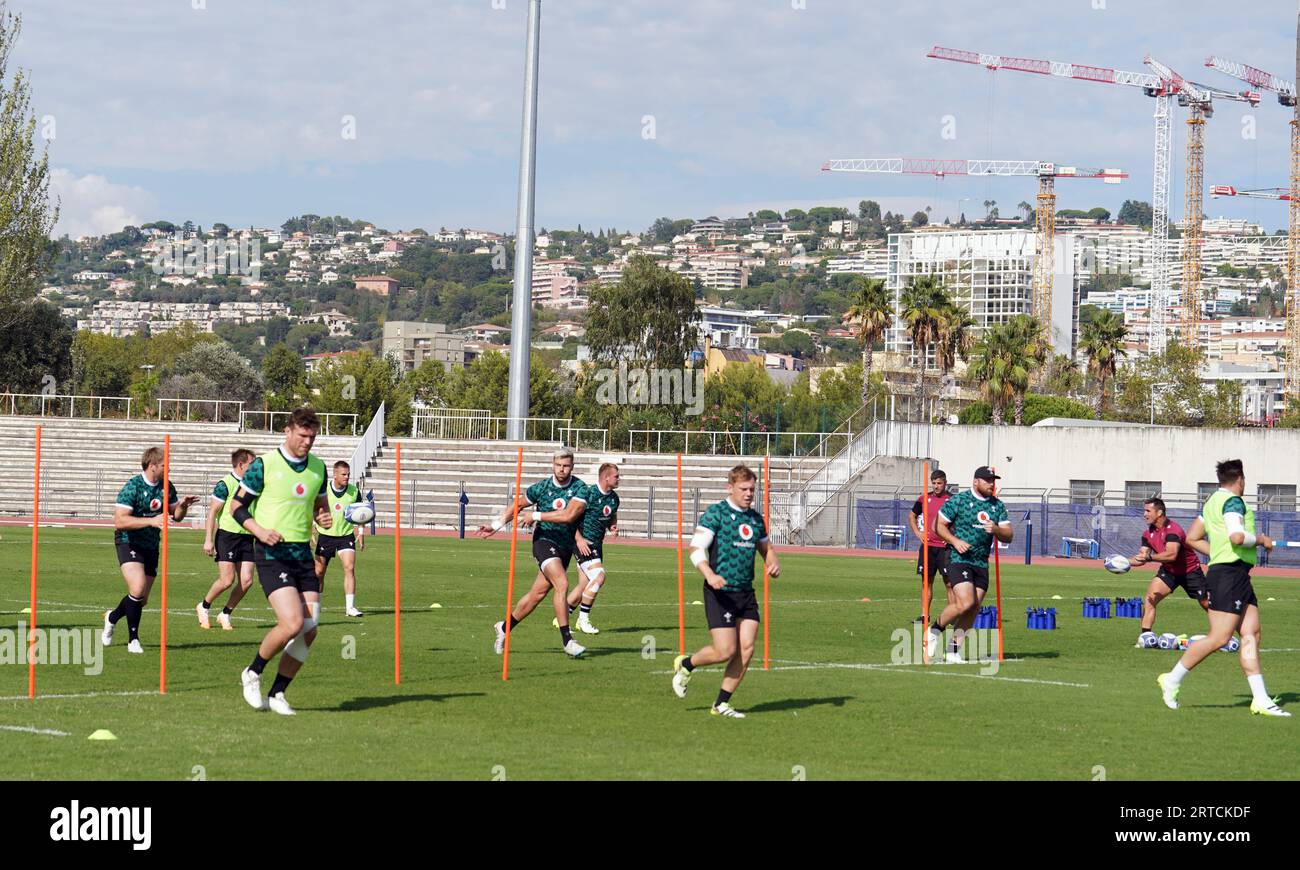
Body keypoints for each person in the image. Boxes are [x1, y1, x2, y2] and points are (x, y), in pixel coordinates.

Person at [1157, 460, 1289, 716]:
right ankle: (1172, 679)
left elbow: (1193, 538)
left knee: (1251, 633)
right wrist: (1261, 540)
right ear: (1240, 479)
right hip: (1228, 575)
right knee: (1220, 637)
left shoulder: (1211, 503)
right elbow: (1237, 537)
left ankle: (1260, 699)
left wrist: (1218, 552)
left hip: (1236, 575)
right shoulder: (1232, 502)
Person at [231, 408, 333, 715]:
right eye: (302, 436)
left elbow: (319, 506)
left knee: (310, 629)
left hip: (302, 554)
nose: (307, 442)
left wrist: (323, 517)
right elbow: (237, 507)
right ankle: (253, 672)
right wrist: (260, 531)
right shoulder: (264, 465)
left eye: (312, 437)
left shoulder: (318, 468)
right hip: (271, 552)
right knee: (291, 623)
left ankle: (277, 693)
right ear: (287, 431)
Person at [671, 465, 780, 718]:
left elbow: (766, 548)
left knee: (747, 648)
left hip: (745, 592)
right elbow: (695, 548)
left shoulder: (755, 519)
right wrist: (710, 574)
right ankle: (687, 665)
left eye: (752, 488)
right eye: (743, 488)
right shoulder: (716, 514)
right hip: (719, 593)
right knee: (725, 651)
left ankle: (721, 704)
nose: (749, 493)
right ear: (729, 487)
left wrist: (773, 563)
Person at [478, 447, 588, 658]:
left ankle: (503, 628)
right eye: (558, 465)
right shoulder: (542, 487)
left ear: (572, 466)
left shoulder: (581, 489)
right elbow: (518, 504)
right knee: (563, 583)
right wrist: (496, 524)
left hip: (565, 547)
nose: (562, 469)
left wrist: (536, 515)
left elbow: (567, 516)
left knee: (537, 595)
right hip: (544, 542)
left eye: (566, 466)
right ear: (552, 465)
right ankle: (568, 640)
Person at [103, 447, 198, 653]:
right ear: (152, 466)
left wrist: (182, 506)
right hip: (129, 541)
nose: (168, 468)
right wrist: (151, 521)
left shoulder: (167, 486)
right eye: (165, 465)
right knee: (137, 588)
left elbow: (177, 516)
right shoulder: (133, 486)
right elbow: (120, 521)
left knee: (141, 599)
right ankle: (133, 640)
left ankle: (112, 617)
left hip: (151, 545)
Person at [926, 466, 1012, 664]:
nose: (991, 484)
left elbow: (1009, 534)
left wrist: (997, 529)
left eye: (993, 480)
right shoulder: (959, 500)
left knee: (973, 608)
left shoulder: (997, 506)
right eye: (987, 480)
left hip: (981, 561)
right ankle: (934, 630)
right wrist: (955, 541)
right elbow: (937, 526)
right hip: (958, 558)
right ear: (976, 482)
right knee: (966, 602)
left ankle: (953, 650)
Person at [549, 463, 621, 634]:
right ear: (606, 477)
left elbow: (612, 514)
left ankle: (561, 617)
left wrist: (613, 526)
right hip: (583, 543)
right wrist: (579, 540)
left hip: (597, 544)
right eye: (616, 476)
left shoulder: (614, 498)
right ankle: (583, 620)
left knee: (584, 586)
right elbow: (570, 518)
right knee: (599, 577)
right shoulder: (588, 494)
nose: (619, 479)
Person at [1130, 497, 1207, 647]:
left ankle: (1225, 634)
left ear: (1159, 513)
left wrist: (1150, 557)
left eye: (1148, 511)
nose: (1144, 514)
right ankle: (1145, 638)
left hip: (1189, 571)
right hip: (1169, 572)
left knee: (1206, 603)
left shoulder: (1173, 530)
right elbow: (1142, 557)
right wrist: (1122, 562)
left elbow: (1171, 555)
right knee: (1150, 599)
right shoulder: (1148, 534)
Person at [197, 448, 257, 631]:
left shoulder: (254, 485)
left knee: (247, 581)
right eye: (251, 464)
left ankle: (225, 613)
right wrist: (208, 539)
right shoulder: (225, 484)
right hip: (227, 536)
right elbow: (213, 512)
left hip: (247, 536)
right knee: (227, 580)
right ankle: (204, 606)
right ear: (241, 464)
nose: (255, 468)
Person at [313, 460, 366, 618]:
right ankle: (317, 605)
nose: (347, 477)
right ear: (335, 475)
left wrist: (361, 532)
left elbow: (361, 513)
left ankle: (350, 608)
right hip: (326, 535)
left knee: (349, 568)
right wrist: (311, 529)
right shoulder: (323, 490)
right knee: (319, 572)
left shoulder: (354, 491)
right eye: (343, 474)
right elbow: (313, 507)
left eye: (348, 474)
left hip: (346, 535)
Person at [908, 469, 953, 624]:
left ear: (945, 483)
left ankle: (952, 615)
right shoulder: (924, 499)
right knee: (926, 582)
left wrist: (952, 538)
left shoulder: (953, 500)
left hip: (946, 549)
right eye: (933, 483)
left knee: (949, 583)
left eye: (939, 483)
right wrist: (918, 532)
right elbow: (912, 516)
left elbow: (960, 522)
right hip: (928, 548)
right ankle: (924, 616)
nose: (936, 486)